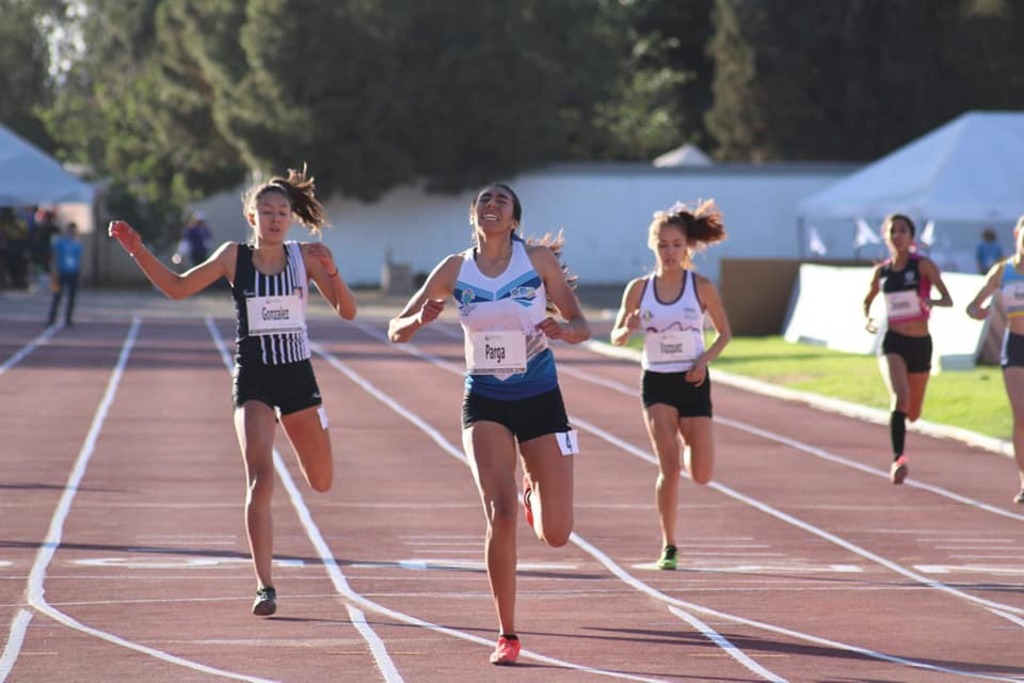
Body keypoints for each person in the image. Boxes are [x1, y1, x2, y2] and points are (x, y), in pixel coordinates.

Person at [108, 165, 357, 616]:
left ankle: (267, 577)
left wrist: (334, 271)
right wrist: (137, 250)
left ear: (292, 219)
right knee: (260, 477)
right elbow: (178, 289)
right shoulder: (232, 257)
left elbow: (347, 310)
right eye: (267, 211)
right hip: (254, 379)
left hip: (297, 378)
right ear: (251, 216)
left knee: (321, 481)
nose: (275, 219)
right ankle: (265, 585)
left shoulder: (306, 257)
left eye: (282, 212)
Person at [387, 182, 590, 665]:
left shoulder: (537, 261)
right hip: (485, 400)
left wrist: (564, 330)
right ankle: (507, 634)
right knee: (499, 514)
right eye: (484, 200)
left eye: (501, 200)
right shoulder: (453, 269)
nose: (491, 204)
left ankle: (531, 494)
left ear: (514, 219)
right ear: (473, 215)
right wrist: (418, 321)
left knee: (557, 533)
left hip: (540, 396)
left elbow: (581, 325)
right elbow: (395, 330)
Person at [609, 200, 731, 571]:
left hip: (693, 380)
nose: (670, 252)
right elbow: (616, 336)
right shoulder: (638, 289)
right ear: (653, 246)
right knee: (669, 467)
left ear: (687, 246)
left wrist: (703, 361)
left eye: (676, 244)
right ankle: (669, 545)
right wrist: (627, 329)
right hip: (657, 382)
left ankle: (691, 444)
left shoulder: (702, 287)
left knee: (702, 474)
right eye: (663, 244)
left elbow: (724, 334)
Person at [862, 214, 952, 485]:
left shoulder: (923, 265)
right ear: (886, 237)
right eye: (893, 231)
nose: (897, 236)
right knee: (900, 397)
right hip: (893, 342)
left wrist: (931, 301)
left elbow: (947, 298)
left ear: (912, 237)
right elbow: (867, 300)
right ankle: (898, 459)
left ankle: (903, 433)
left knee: (912, 413)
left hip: (920, 344)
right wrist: (868, 319)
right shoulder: (882, 272)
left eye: (902, 231)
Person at [966, 216, 1024, 504]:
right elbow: (973, 305)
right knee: (1021, 416)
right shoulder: (1004, 270)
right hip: (1015, 346)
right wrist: (977, 311)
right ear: (1017, 233)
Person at [47, 222, 84, 327]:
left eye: (73, 230)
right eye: (69, 230)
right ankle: (52, 318)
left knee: (71, 297)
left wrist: (80, 273)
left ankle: (68, 319)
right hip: (61, 273)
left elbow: (79, 259)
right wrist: (54, 270)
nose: (71, 232)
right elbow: (54, 256)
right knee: (57, 296)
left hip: (73, 273)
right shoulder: (60, 242)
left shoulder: (77, 244)